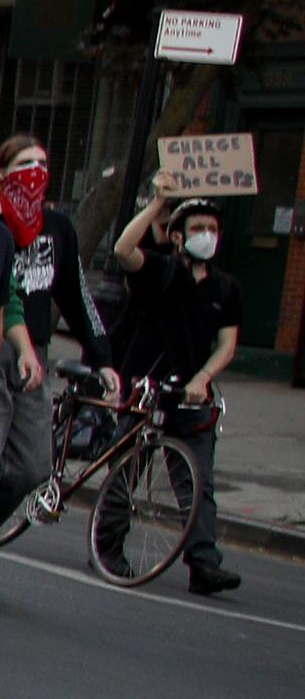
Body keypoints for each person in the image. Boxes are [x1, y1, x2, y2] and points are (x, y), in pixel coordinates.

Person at [0, 130, 108, 604]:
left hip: (35, 357)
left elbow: (76, 294)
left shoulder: (57, 229)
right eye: (25, 163)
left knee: (31, 467)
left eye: (44, 164)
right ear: (1, 173)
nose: (36, 172)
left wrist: (101, 357)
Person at [106, 180, 243, 596]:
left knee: (198, 481)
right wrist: (159, 204)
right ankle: (109, 546)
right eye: (199, 228)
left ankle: (203, 563)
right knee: (125, 471)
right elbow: (122, 250)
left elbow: (228, 343)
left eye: (214, 229)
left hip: (192, 398)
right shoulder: (161, 270)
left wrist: (203, 378)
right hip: (147, 390)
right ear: (179, 235)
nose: (208, 236)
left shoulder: (226, 288)